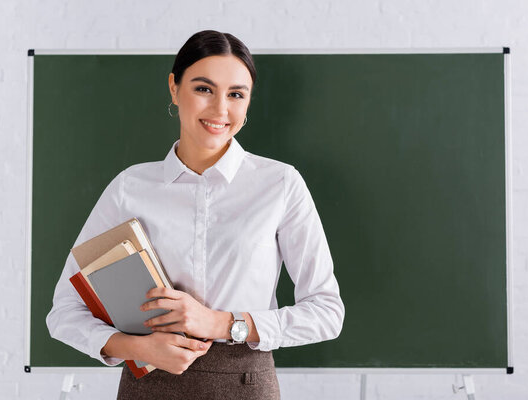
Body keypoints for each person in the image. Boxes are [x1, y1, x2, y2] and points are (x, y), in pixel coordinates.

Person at [46, 30, 345, 400]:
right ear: (174, 88)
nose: (221, 109)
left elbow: (327, 312)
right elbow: (64, 312)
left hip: (245, 385)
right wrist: (135, 348)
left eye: (236, 94)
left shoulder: (280, 184)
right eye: (204, 89)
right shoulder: (130, 188)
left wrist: (222, 323)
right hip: (148, 385)